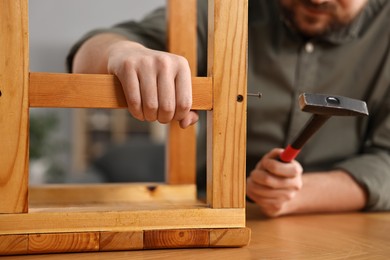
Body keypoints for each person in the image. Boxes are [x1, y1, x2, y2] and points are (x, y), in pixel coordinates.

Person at [67, 0, 390, 217]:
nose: (317, 0)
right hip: (212, 211)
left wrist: (300, 192)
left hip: (344, 224)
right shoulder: (223, 8)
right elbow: (86, 59)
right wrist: (121, 52)